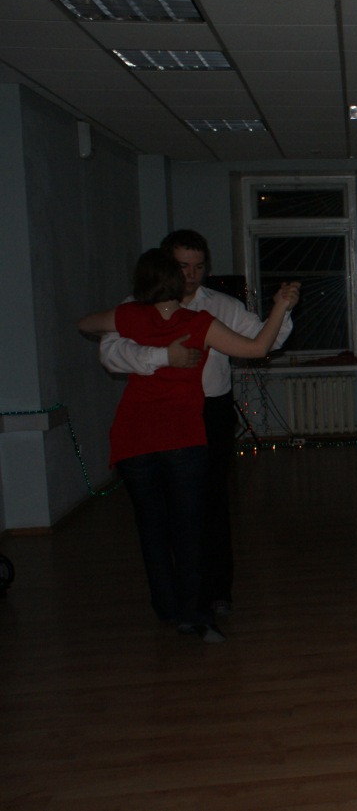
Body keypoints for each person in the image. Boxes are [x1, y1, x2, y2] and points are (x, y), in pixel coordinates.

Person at [79, 249, 299, 642]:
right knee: (189, 529)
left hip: (134, 438)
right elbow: (258, 348)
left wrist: (134, 329)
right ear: (177, 282)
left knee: (152, 528)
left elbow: (86, 324)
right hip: (181, 437)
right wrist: (280, 306)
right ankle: (194, 614)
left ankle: (168, 607)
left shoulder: (129, 316)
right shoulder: (197, 323)